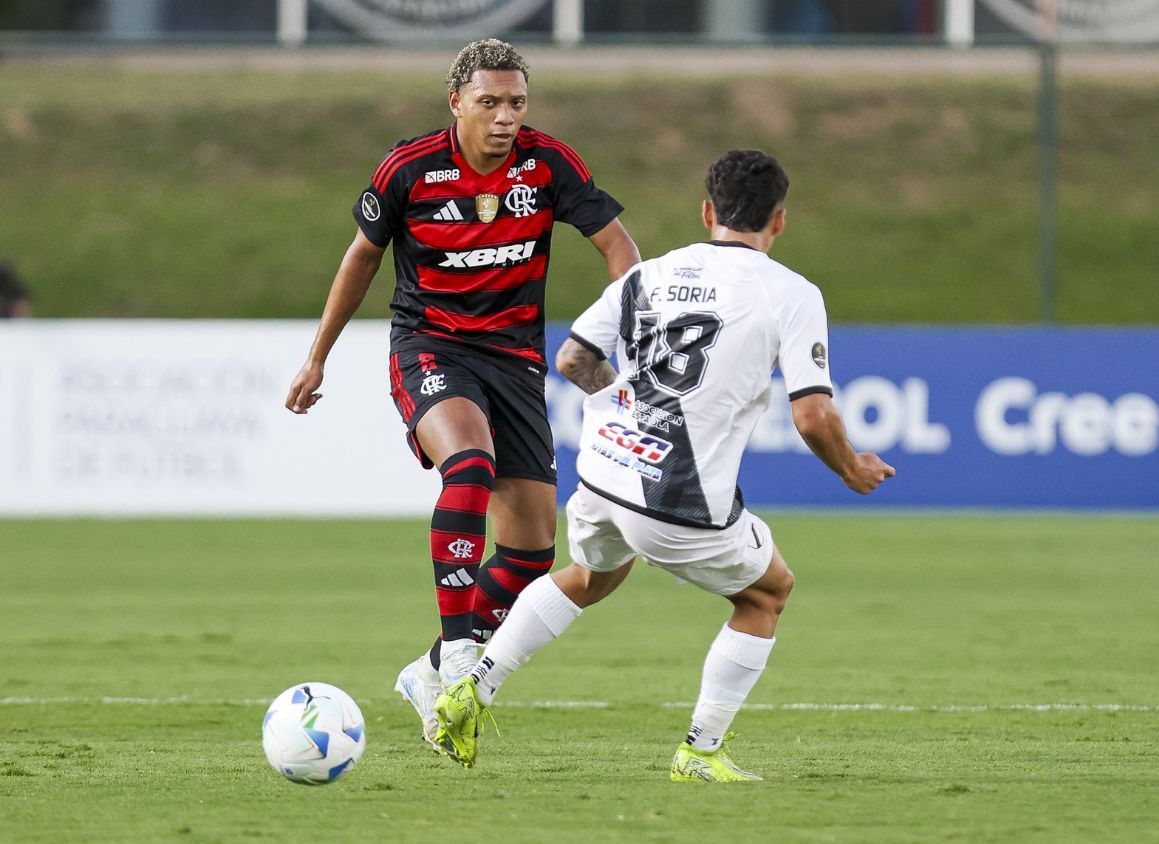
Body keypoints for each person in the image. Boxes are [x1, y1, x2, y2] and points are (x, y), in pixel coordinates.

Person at [432, 149, 895, 779]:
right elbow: (813, 416)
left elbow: (571, 359)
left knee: (592, 576)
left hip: (602, 470)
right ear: (779, 222)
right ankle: (699, 752)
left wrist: (627, 407)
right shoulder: (790, 292)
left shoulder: (651, 273)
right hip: (677, 492)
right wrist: (851, 469)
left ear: (707, 211)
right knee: (767, 593)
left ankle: (470, 689)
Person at [284, 39, 640, 758]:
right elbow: (362, 256)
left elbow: (618, 246)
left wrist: (623, 334)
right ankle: (455, 656)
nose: (506, 116)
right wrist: (317, 357)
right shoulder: (409, 168)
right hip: (431, 347)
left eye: (517, 102)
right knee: (469, 465)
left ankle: (422, 674)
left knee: (531, 555)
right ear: (456, 103)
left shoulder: (547, 164)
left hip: (514, 361)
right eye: (490, 102)